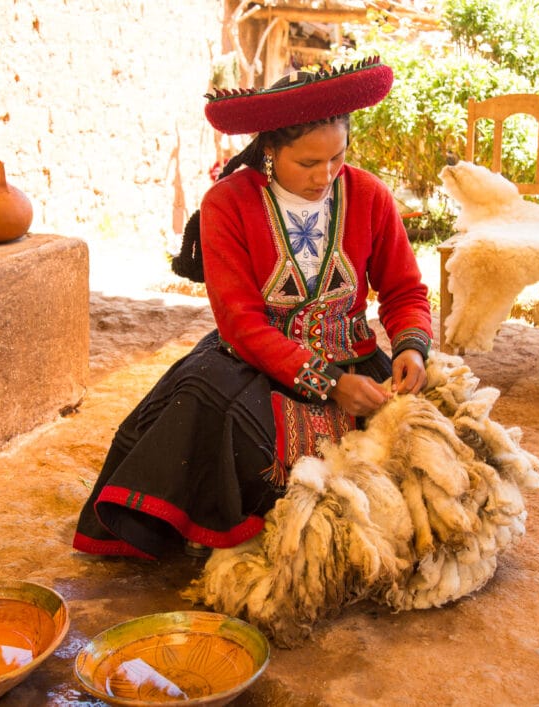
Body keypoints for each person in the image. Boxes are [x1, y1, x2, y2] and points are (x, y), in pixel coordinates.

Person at [73, 57, 433, 559]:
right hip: (251, 359)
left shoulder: (370, 195)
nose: (324, 176)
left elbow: (405, 292)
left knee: (427, 453)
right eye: (307, 164)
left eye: (336, 159)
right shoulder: (227, 203)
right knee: (212, 414)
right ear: (268, 150)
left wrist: (412, 348)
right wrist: (328, 383)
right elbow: (241, 322)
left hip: (354, 355)